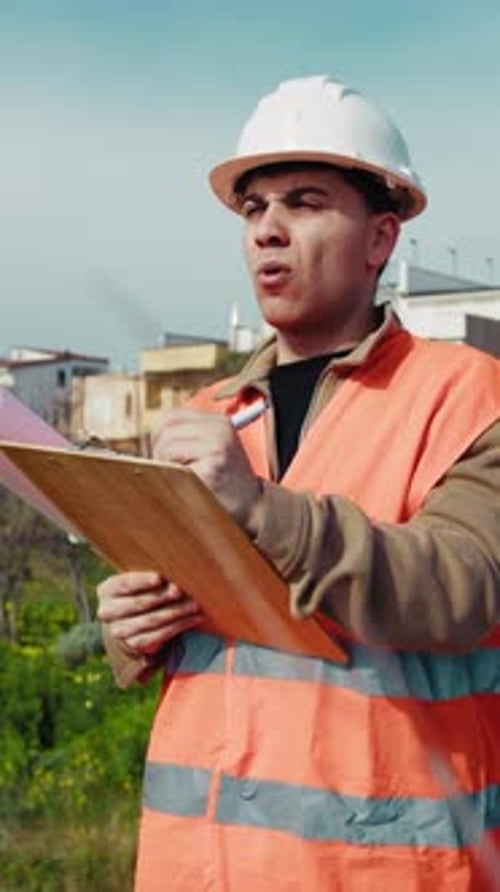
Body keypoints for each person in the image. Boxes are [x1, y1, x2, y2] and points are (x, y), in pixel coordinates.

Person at [97, 75, 500, 891]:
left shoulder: (466, 395)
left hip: (381, 870)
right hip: (195, 868)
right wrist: (127, 628)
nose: (267, 233)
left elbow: (466, 590)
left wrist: (257, 507)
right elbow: (201, 630)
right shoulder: (208, 412)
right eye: (254, 210)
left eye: (305, 203)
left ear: (381, 238)